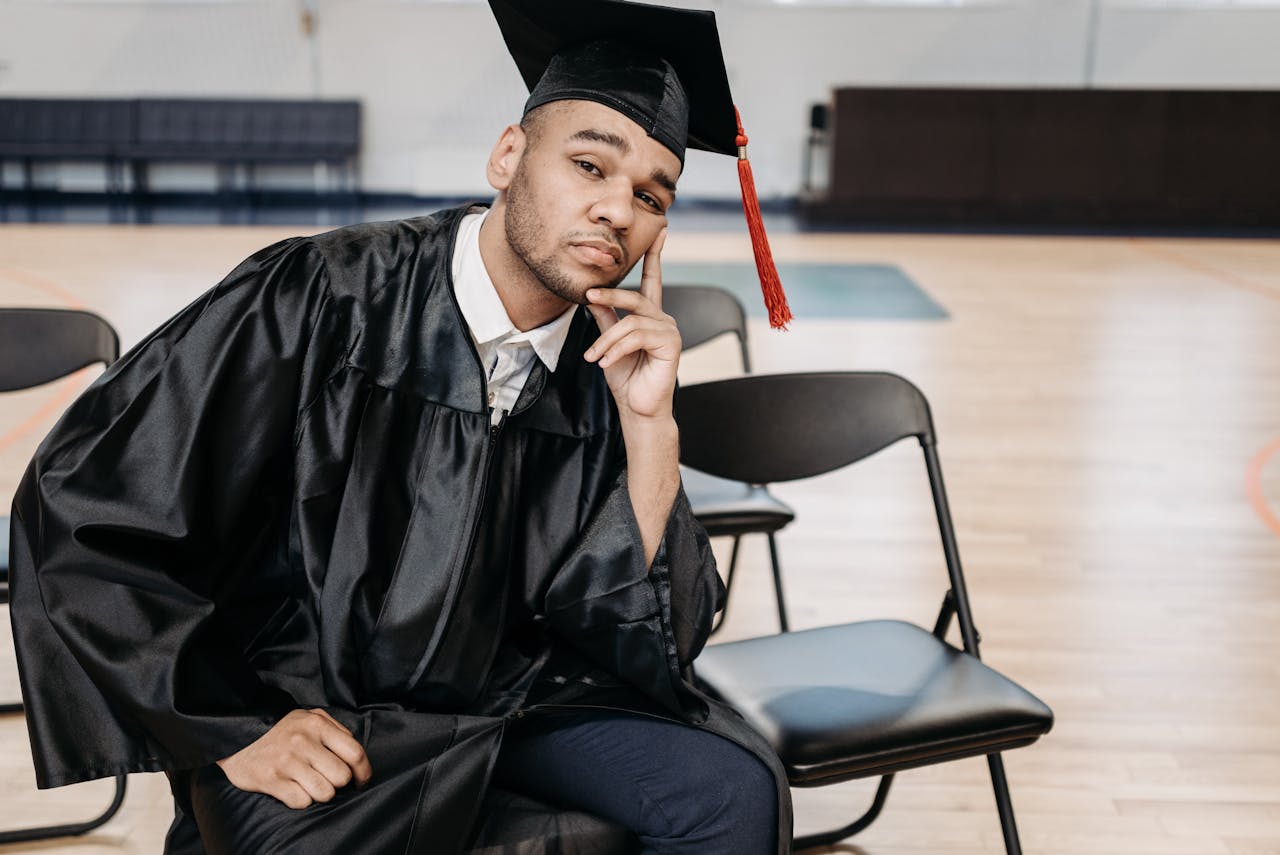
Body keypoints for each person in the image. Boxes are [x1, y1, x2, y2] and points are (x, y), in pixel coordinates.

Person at [8, 1, 794, 852]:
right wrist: (232, 728)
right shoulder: (320, 295)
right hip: (317, 708)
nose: (615, 209)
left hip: (510, 700)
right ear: (507, 155)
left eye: (648, 193)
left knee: (730, 789)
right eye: (589, 165)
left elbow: (645, 637)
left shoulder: (608, 363)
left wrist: (653, 436)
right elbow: (86, 502)